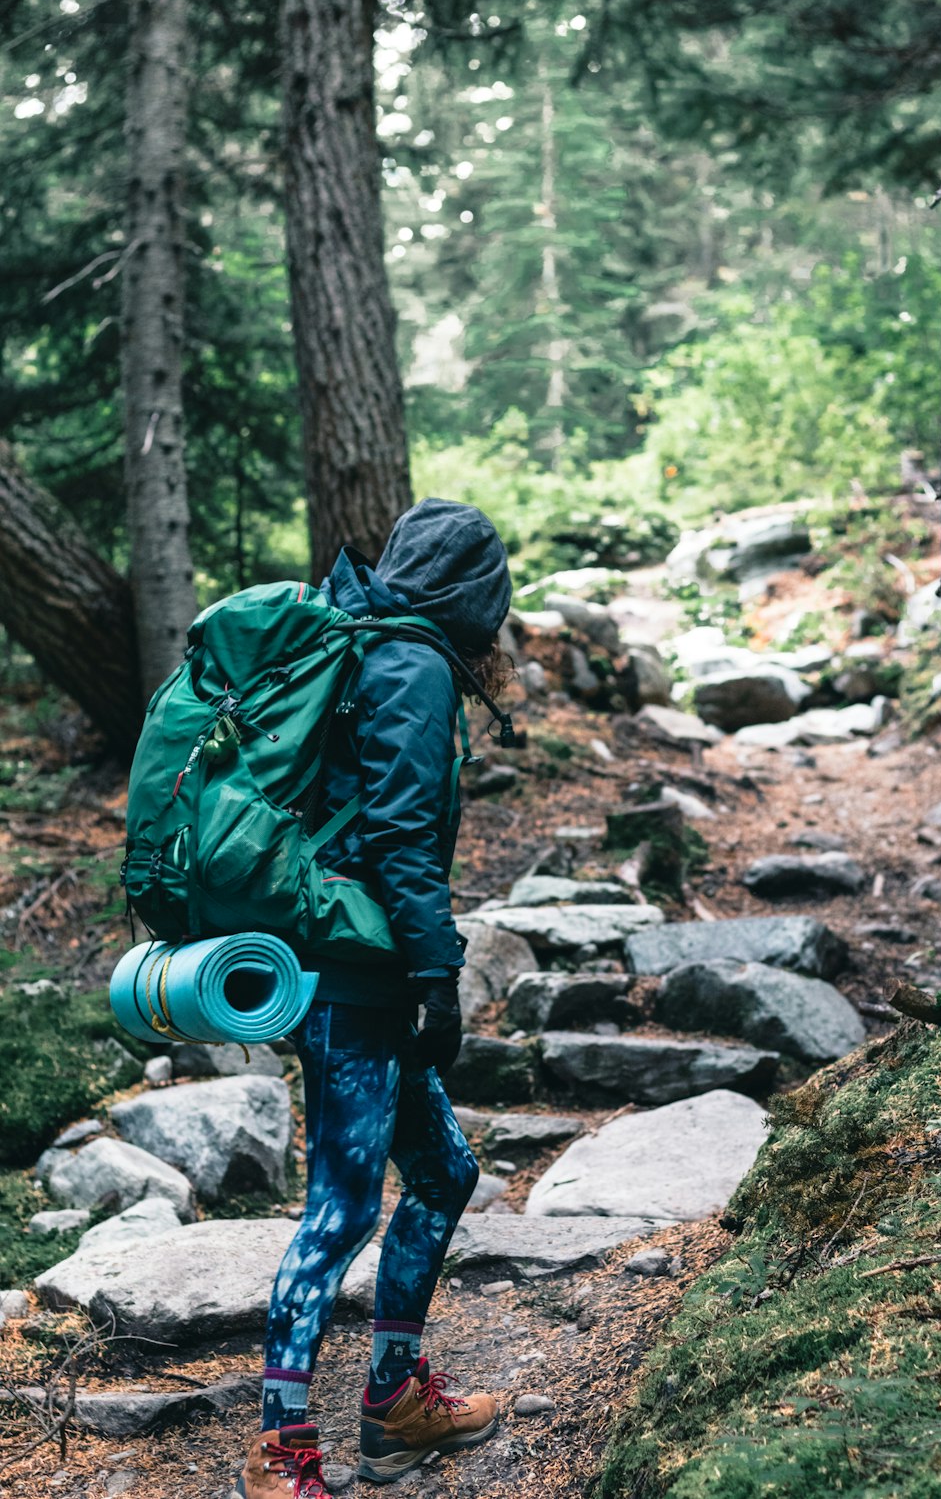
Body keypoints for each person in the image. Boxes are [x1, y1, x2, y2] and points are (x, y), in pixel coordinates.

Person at [234, 499, 513, 1496]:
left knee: (440, 1174)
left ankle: (395, 1406)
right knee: (342, 1208)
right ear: (469, 585)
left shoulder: (367, 641)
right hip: (358, 981)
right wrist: (438, 978)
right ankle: (282, 1454)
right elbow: (398, 836)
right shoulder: (411, 663)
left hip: (349, 968)